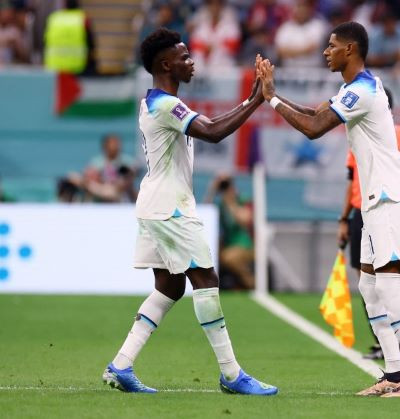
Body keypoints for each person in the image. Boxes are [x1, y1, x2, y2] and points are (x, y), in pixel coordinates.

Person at [258, 21, 400, 399]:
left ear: (350, 50)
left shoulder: (365, 90)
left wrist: (271, 99)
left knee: (387, 284)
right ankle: (392, 372)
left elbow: (314, 127)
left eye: (332, 45)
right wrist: (271, 96)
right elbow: (313, 110)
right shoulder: (350, 90)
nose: (326, 51)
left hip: (391, 195)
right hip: (372, 200)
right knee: (368, 286)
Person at [102, 28, 277, 396]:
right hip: (171, 210)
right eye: (184, 57)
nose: (191, 62)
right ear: (166, 63)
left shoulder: (153, 102)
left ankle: (121, 364)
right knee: (206, 280)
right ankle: (232, 374)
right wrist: (258, 101)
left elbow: (208, 127)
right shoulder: (167, 105)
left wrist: (249, 100)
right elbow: (212, 132)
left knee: (169, 285)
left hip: (154, 205)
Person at [336, 87, 400, 360]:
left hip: (391, 205)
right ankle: (388, 351)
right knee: (366, 283)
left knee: (389, 282)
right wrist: (345, 217)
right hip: (363, 208)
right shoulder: (358, 132)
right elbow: (352, 179)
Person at [205, 175, 255, 290]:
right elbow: (205, 213)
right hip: (227, 245)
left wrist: (231, 202)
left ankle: (251, 283)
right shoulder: (221, 204)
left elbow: (244, 220)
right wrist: (212, 189)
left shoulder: (241, 199)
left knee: (229, 257)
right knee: (209, 256)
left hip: (245, 244)